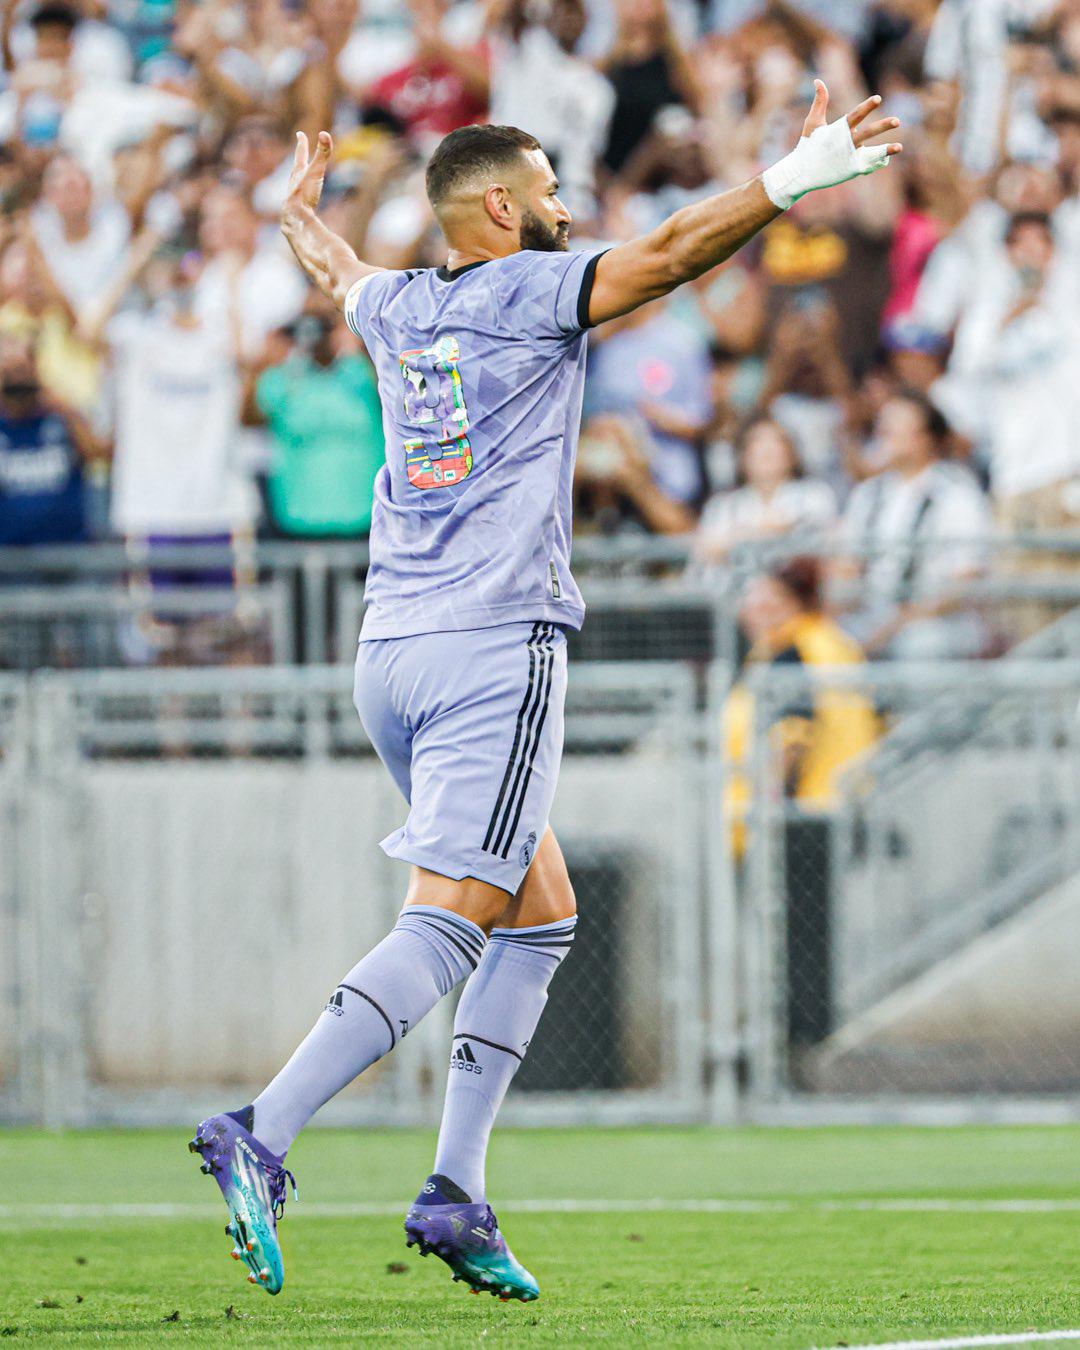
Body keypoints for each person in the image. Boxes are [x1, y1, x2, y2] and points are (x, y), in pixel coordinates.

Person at [189, 79, 902, 1300]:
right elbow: (670, 255)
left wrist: (296, 213)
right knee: (451, 920)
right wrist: (795, 179)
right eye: (553, 191)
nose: (569, 208)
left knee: (540, 910)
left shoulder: (398, 306)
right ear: (504, 209)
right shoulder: (528, 292)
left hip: (392, 653)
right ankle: (263, 1127)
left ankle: (455, 1191)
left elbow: (335, 270)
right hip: (492, 645)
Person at [837, 389, 991, 659]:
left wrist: (899, 622)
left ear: (926, 437)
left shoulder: (957, 493)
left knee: (922, 642)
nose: (884, 432)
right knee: (827, 639)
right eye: (883, 425)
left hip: (936, 620)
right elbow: (845, 566)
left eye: (896, 424)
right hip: (873, 615)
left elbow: (965, 581)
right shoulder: (868, 493)